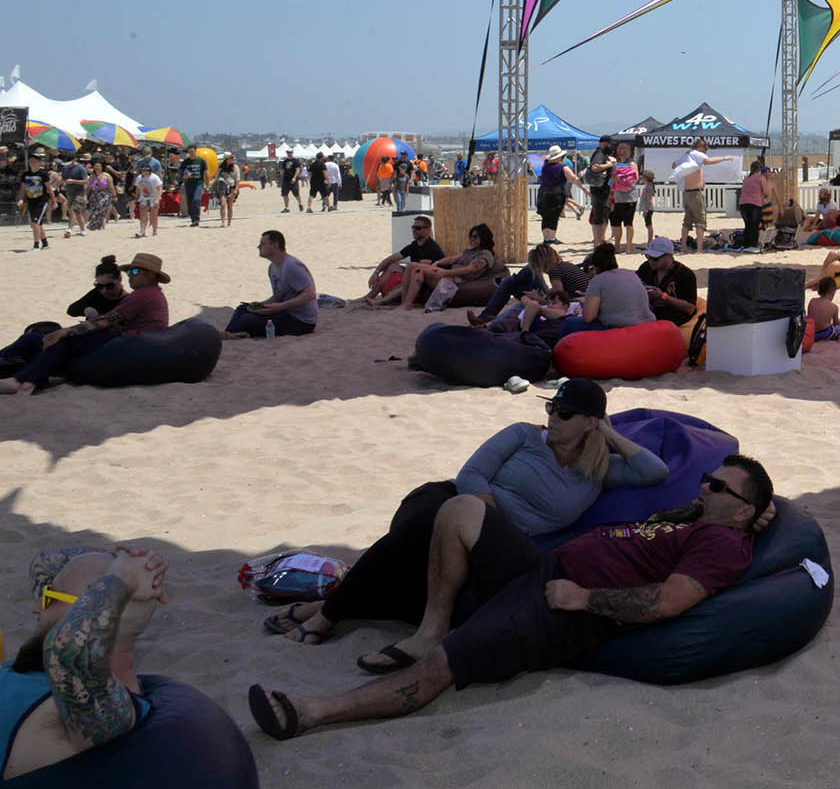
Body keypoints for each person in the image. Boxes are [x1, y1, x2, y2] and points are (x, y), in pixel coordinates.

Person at [248, 452, 773, 741]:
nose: (705, 488)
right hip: (543, 566)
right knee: (456, 511)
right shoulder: (701, 521)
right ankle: (430, 624)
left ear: (744, 512)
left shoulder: (725, 547)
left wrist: (581, 600)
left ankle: (312, 711)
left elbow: (667, 603)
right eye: (708, 479)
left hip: (559, 608)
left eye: (719, 488)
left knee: (441, 667)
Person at [258, 379, 667, 659]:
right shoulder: (524, 434)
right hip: (452, 498)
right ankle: (329, 613)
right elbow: (472, 472)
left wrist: (609, 434)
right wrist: (484, 511)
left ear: (589, 423)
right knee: (427, 521)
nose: (553, 419)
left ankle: (327, 608)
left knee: (417, 555)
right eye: (552, 408)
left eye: (565, 414)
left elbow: (655, 472)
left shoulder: (597, 470)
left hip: (492, 539)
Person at [3, 543, 172, 779]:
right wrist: (135, 560)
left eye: (49, 598)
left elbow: (67, 652)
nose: (36, 608)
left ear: (89, 612)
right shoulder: (45, 666)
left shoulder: (102, 707)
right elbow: (46, 560)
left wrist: (123, 578)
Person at [1, 251, 171, 396]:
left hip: (126, 344)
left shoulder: (142, 295)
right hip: (126, 341)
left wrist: (64, 331)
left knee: (62, 340)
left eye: (134, 271)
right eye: (129, 272)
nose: (130, 276)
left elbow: (104, 322)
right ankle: (23, 375)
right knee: (34, 339)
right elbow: (77, 310)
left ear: (150, 274)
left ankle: (22, 381)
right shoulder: (151, 294)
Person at [1, 256, 126, 373]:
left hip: (94, 345)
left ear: (120, 279)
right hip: (82, 338)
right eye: (99, 286)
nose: (104, 290)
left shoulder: (127, 301)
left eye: (109, 286)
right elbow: (72, 310)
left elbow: (121, 330)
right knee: (31, 338)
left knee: (38, 342)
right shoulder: (97, 293)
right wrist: (86, 309)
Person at [225, 230, 319, 338]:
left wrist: (280, 307)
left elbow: (310, 294)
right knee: (243, 308)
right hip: (285, 312)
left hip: (301, 320)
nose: (258, 246)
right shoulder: (272, 267)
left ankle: (233, 333)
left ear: (275, 246)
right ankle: (230, 333)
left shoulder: (291, 266)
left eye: (263, 243)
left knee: (248, 320)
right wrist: (261, 305)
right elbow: (279, 295)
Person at [392, 224, 500, 310]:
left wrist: (445, 272)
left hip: (456, 280)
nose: (472, 239)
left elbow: (471, 269)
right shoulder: (469, 251)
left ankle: (406, 304)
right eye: (471, 236)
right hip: (448, 274)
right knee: (416, 269)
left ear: (483, 237)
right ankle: (406, 303)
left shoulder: (485, 254)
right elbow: (452, 259)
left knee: (413, 266)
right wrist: (437, 263)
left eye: (475, 236)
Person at [363, 217, 446, 305]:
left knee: (411, 276)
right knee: (392, 266)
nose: (414, 230)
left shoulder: (431, 247)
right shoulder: (414, 245)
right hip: (418, 282)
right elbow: (390, 259)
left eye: (418, 228)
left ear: (428, 230)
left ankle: (382, 301)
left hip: (429, 288)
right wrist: (376, 273)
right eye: (413, 227)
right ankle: (370, 296)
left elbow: (420, 272)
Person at [634, 236, 701, 325]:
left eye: (655, 258)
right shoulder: (646, 267)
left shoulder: (685, 274)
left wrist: (663, 296)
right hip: (649, 314)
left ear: (669, 256)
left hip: (672, 320)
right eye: (648, 256)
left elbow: (690, 308)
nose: (651, 261)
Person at [533, 146, 578, 243]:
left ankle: (546, 238)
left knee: (545, 217)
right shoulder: (562, 167)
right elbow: (572, 178)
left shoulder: (545, 165)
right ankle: (552, 237)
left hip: (543, 192)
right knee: (554, 216)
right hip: (555, 193)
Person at [607, 141, 641, 253]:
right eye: (620, 148)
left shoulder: (632, 163)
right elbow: (612, 182)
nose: (622, 150)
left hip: (629, 198)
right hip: (617, 198)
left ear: (629, 151)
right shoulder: (616, 163)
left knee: (628, 223)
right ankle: (617, 246)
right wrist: (610, 195)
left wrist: (621, 179)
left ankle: (628, 247)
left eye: (625, 148)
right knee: (616, 223)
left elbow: (635, 178)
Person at [17, 150, 54, 249]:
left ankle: (36, 245)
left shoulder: (43, 174)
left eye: (34, 160)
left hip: (41, 201)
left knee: (34, 223)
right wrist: (20, 199)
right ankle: (45, 243)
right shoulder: (25, 175)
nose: (32, 162)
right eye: (30, 160)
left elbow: (50, 189)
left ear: (39, 162)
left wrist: (53, 201)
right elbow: (22, 189)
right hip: (31, 201)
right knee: (38, 223)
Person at [585, 135, 616, 247]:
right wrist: (609, 164)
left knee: (602, 214)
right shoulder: (600, 154)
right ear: (603, 143)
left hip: (601, 188)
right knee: (599, 215)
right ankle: (598, 242)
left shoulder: (603, 154)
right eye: (608, 144)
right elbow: (595, 167)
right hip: (599, 189)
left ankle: (599, 240)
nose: (609, 146)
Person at [737, 157, 770, 253]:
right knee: (755, 225)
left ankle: (746, 244)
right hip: (755, 203)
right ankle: (753, 244)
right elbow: (767, 192)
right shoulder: (760, 178)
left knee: (747, 225)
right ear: (759, 169)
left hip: (743, 203)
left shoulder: (746, 179)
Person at [59, 155, 88, 238]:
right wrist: (61, 182)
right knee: (77, 212)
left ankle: (69, 229)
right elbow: (63, 179)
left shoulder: (81, 168)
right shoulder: (65, 168)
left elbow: (86, 181)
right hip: (69, 192)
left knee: (73, 210)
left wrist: (73, 181)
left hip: (79, 192)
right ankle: (83, 229)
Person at [132, 158, 161, 239]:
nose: (145, 172)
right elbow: (138, 188)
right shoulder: (139, 178)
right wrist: (136, 197)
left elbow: (159, 188)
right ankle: (142, 231)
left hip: (153, 197)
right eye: (143, 171)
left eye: (147, 171)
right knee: (143, 214)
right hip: (143, 198)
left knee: (154, 215)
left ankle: (154, 231)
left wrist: (157, 199)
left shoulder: (154, 177)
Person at [212, 154, 239, 227]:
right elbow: (216, 179)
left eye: (232, 158)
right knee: (223, 205)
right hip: (221, 186)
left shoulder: (235, 167)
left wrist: (236, 189)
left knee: (230, 206)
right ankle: (223, 222)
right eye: (230, 158)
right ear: (226, 159)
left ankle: (229, 222)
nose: (231, 160)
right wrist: (213, 190)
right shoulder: (220, 167)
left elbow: (237, 179)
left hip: (231, 186)